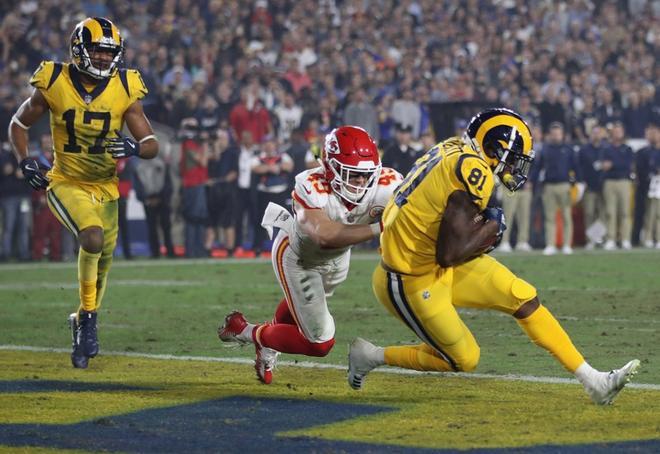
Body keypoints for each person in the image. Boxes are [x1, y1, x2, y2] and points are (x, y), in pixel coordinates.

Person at [347, 108, 640, 406]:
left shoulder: (454, 146)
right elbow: (450, 253)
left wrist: (482, 232)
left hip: (432, 258)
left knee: (521, 296)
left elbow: (448, 242)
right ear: (493, 148)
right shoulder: (474, 172)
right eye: (512, 157)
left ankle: (593, 380)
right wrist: (491, 227)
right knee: (464, 358)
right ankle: (371, 356)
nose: (514, 166)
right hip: (408, 277)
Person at [8, 17, 159, 368]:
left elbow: (151, 143)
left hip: (106, 187)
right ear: (79, 48)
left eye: (109, 52)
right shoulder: (54, 80)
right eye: (97, 51)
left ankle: (81, 318)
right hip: (66, 181)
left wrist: (135, 149)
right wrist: (25, 160)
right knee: (90, 237)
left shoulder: (125, 85)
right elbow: (18, 124)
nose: (105, 59)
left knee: (103, 264)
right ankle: (89, 322)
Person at [218, 126, 402, 384]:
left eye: (365, 175)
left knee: (300, 308)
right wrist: (381, 226)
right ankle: (246, 331)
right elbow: (325, 234)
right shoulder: (309, 184)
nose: (360, 182)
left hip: (337, 259)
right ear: (330, 168)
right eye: (353, 174)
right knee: (320, 343)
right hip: (299, 258)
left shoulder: (389, 182)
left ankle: (268, 342)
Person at [601, 121, 634, 250]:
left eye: (619, 131)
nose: (617, 133)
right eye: (615, 131)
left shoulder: (628, 148)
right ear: (611, 133)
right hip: (609, 182)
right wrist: (618, 163)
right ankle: (611, 239)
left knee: (625, 212)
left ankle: (625, 239)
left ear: (623, 133)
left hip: (624, 182)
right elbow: (603, 165)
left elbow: (627, 165)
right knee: (610, 212)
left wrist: (613, 164)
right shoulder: (606, 148)